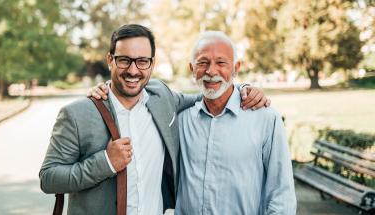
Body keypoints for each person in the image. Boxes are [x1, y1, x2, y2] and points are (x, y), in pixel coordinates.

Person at [40, 24, 268, 214]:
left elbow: (209, 92)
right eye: (123, 60)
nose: (133, 70)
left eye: (142, 61)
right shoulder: (77, 114)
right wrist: (105, 163)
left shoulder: (162, 97)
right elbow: (49, 178)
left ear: (152, 64)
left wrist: (243, 89)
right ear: (110, 60)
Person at [175, 31, 296, 214]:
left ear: (236, 68)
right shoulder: (181, 121)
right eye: (203, 63)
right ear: (192, 68)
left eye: (221, 62)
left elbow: (282, 195)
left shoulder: (266, 119)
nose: (211, 71)